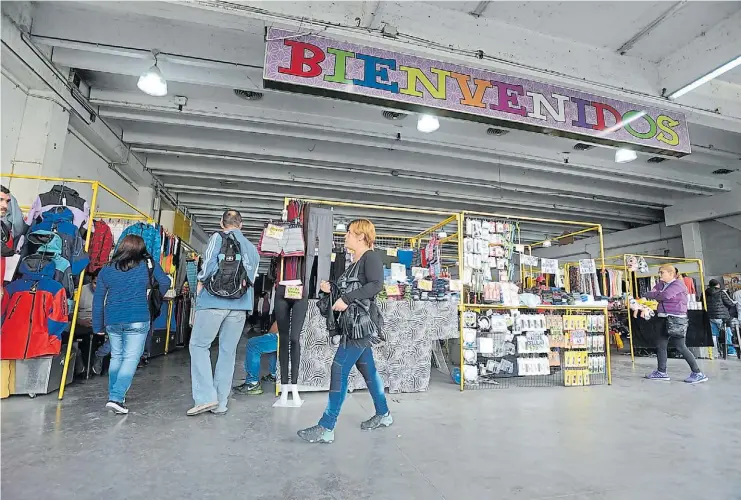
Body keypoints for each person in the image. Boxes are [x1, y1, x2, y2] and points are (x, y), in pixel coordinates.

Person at [298, 219, 391, 444]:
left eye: (349, 233)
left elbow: (376, 285)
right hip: (353, 325)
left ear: (361, 236)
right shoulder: (355, 262)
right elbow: (352, 287)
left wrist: (347, 298)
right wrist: (332, 288)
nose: (345, 236)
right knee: (368, 370)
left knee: (338, 369)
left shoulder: (371, 257)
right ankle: (384, 414)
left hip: (360, 327)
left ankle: (326, 427)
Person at [188, 209, 259, 416]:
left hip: (212, 302)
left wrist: (200, 281)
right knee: (228, 352)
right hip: (240, 305)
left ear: (222, 223)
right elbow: (253, 278)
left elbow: (209, 264)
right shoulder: (251, 248)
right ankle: (220, 403)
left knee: (199, 346)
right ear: (241, 225)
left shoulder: (217, 238)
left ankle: (205, 398)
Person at [93, 235, 170, 414]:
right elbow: (165, 282)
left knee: (116, 357)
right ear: (142, 249)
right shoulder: (147, 265)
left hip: (112, 319)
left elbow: (98, 300)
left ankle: (115, 395)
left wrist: (97, 326)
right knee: (130, 358)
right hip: (138, 317)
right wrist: (153, 296)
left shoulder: (107, 269)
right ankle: (116, 398)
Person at [644, 264, 707, 384]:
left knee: (680, 346)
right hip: (663, 318)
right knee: (661, 345)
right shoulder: (661, 285)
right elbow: (655, 293)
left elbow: (665, 295)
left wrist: (655, 295)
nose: (659, 275)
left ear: (671, 274)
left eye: (662, 272)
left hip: (676, 319)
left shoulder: (678, 284)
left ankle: (698, 373)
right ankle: (661, 372)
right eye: (659, 272)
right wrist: (656, 294)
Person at [233, 320, 278, 396]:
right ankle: (274, 374)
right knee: (272, 346)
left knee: (252, 344)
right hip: (297, 336)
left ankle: (252, 383)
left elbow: (281, 320)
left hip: (286, 336)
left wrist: (268, 335)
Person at [706, 279, 737, 357]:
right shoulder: (721, 292)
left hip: (710, 316)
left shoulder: (705, 292)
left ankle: (715, 351)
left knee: (713, 334)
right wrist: (735, 302)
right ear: (718, 285)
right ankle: (730, 350)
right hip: (722, 317)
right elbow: (730, 303)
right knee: (727, 332)